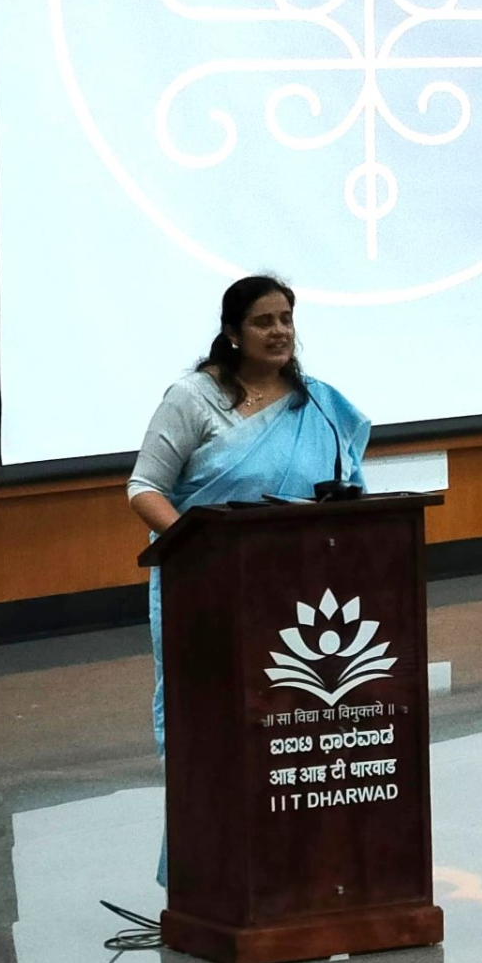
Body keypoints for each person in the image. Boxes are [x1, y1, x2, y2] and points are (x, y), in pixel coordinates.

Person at [126, 274, 369, 884]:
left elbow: (350, 491)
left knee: (298, 731)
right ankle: (211, 878)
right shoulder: (193, 399)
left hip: (305, 601)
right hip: (208, 591)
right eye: (263, 321)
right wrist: (204, 552)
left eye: (286, 318)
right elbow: (144, 488)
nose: (279, 331)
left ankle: (301, 871)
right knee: (214, 731)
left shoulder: (318, 404)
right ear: (233, 333)